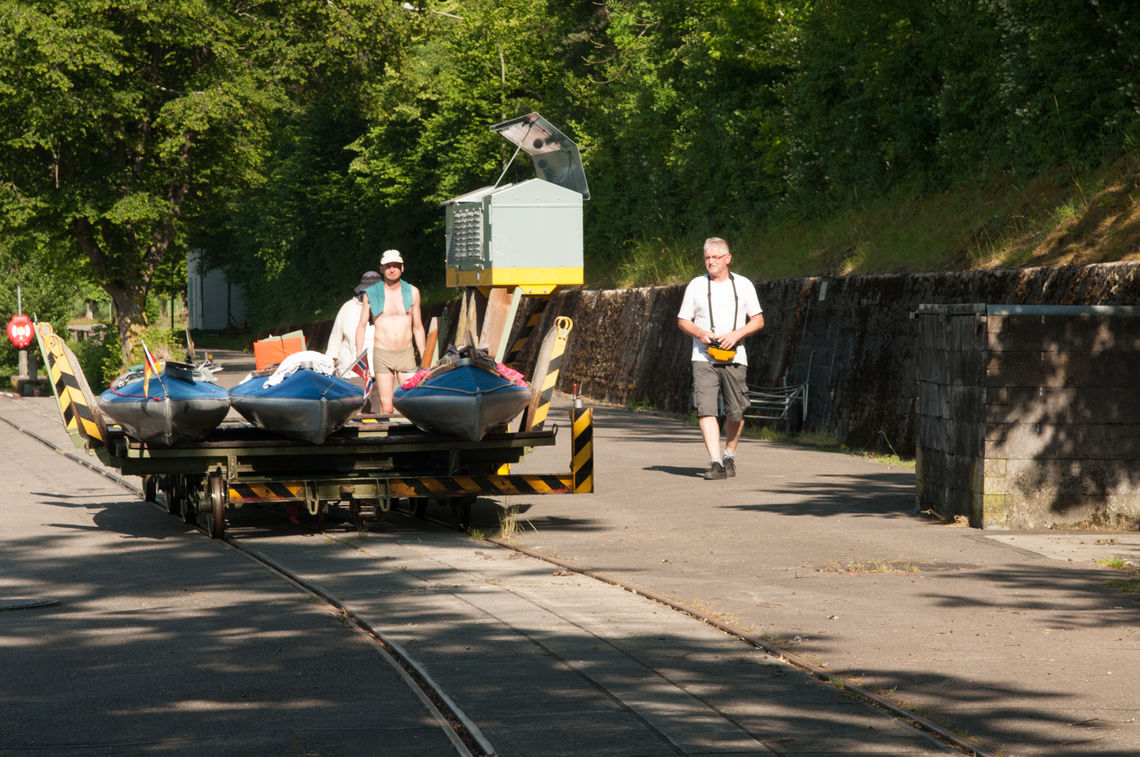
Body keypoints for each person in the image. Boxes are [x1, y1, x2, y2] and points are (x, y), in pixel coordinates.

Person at [676, 237, 765, 480]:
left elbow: (758, 320)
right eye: (707, 257)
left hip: (736, 355)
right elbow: (683, 320)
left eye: (716, 257)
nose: (711, 262)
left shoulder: (744, 285)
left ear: (728, 258)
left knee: (736, 411)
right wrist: (701, 333)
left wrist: (737, 334)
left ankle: (728, 455)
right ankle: (715, 462)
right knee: (706, 408)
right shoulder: (695, 285)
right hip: (703, 357)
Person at [355, 249, 426, 415]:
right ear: (382, 269)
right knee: (387, 407)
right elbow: (361, 325)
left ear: (402, 268)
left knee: (410, 402)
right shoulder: (371, 294)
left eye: (395, 266)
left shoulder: (413, 291)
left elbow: (418, 327)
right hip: (382, 354)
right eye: (388, 266)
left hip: (406, 353)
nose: (392, 269)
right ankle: (387, 437)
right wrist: (359, 354)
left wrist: (424, 355)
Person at [325, 270, 382, 413]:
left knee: (380, 415)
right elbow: (335, 339)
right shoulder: (348, 308)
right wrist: (328, 368)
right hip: (353, 373)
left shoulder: (386, 307)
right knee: (355, 415)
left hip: (380, 372)